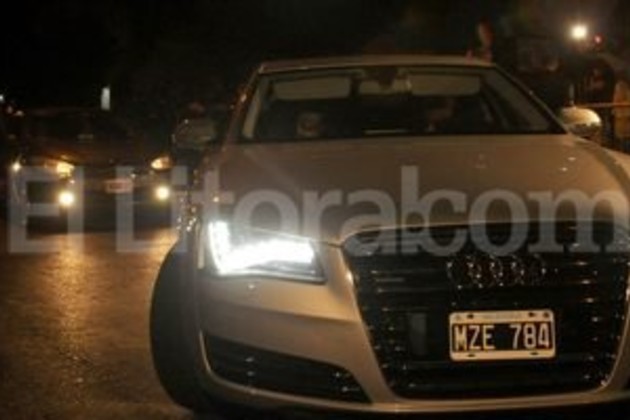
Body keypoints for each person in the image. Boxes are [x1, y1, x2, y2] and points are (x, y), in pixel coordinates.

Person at [612, 71, 630, 152]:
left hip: (622, 114)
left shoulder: (620, 86)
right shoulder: (623, 86)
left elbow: (618, 98)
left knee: (623, 136)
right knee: (624, 136)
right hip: (623, 113)